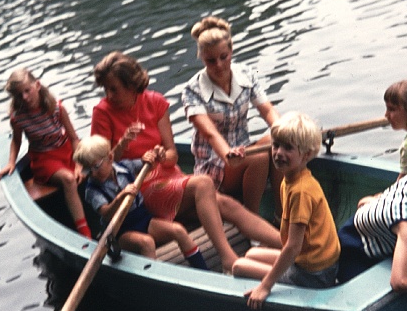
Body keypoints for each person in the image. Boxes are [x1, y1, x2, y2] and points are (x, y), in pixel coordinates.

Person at [90, 50, 281, 273]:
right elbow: (101, 166)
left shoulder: (155, 102)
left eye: (113, 88)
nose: (108, 95)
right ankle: (228, 257)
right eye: (106, 89)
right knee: (203, 184)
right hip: (139, 190)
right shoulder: (102, 112)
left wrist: (162, 155)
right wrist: (123, 145)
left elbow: (172, 155)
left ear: (131, 85)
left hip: (171, 180)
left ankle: (292, 248)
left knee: (227, 205)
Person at [232, 112, 341, 310]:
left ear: (306, 155)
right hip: (309, 263)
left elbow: (292, 247)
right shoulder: (289, 179)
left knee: (238, 266)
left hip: (314, 275)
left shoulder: (301, 191)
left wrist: (265, 286)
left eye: (288, 148)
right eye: (276, 145)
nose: (278, 153)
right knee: (251, 253)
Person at [182, 16, 282, 219]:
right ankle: (252, 221)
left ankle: (282, 215)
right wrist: (227, 154)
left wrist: (285, 130)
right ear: (201, 58)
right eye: (211, 60)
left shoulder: (247, 75)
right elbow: (209, 133)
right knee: (259, 156)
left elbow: (268, 111)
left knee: (278, 139)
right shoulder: (192, 90)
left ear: (231, 51)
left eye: (223, 57)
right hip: (215, 164)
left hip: (244, 152)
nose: (218, 65)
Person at [73, 135, 208, 269]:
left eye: (96, 167)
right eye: (87, 170)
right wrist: (121, 196)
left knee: (178, 230)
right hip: (121, 232)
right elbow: (107, 213)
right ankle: (155, 284)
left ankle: (203, 271)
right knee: (147, 243)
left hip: (143, 219)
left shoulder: (125, 167)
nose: (93, 173)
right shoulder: (92, 190)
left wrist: (153, 155)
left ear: (109, 158)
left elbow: (148, 164)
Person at [0, 68, 92, 239]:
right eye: (19, 95)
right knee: (69, 179)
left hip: (67, 152)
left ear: (37, 85)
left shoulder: (56, 108)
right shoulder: (18, 118)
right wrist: (11, 162)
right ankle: (84, 231)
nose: (25, 97)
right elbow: (16, 141)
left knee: (99, 162)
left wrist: (79, 164)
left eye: (27, 91)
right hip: (44, 159)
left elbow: (73, 138)